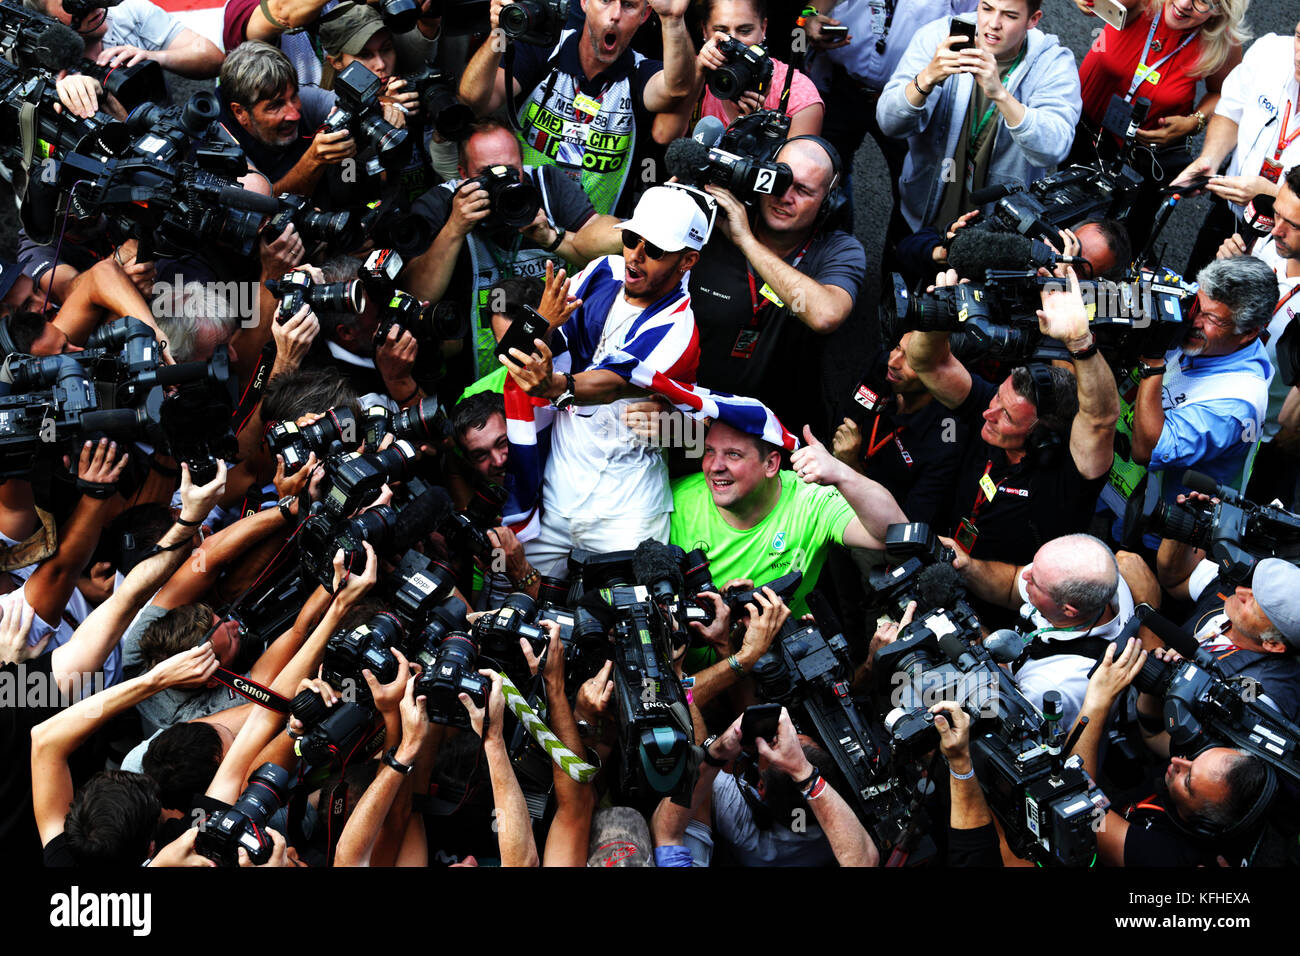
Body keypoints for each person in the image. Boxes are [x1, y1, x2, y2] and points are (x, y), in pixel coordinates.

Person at [502, 185, 709, 572]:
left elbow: (611, 383)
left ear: (688, 260)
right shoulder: (601, 272)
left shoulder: (679, 327)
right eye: (632, 238)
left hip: (626, 516)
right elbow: (511, 353)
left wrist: (556, 387)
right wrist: (540, 319)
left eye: (656, 249)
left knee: (624, 628)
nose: (636, 254)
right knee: (527, 611)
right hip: (554, 501)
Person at [902, 270, 1120, 573]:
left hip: (1012, 604)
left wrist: (1080, 341)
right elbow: (927, 362)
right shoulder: (995, 403)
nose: (988, 414)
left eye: (1006, 415)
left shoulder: (1069, 472)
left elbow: (1101, 419)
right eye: (997, 400)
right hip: (942, 567)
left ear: (1042, 433)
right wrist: (939, 319)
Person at [402, 118, 619, 386]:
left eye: (511, 171)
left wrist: (552, 238)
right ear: (463, 173)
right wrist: (454, 228)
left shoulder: (547, 186)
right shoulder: (443, 204)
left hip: (556, 368)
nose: (502, 182)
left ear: (522, 164)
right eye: (487, 173)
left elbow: (609, 244)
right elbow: (416, 294)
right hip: (478, 379)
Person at [689, 136, 866, 435]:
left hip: (779, 433)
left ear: (828, 203)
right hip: (694, 418)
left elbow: (825, 315)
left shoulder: (839, 250)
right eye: (778, 181)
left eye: (803, 191)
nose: (785, 197)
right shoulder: (712, 222)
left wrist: (745, 240)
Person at [457, 0, 697, 216]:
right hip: (521, 222)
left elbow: (677, 88)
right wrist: (498, 33)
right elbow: (475, 100)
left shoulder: (640, 73)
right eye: (605, 0)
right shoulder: (545, 48)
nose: (615, 14)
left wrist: (672, 20)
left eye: (628, 5)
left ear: (644, 16)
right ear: (583, 3)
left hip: (590, 240)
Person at [876, 0, 1082, 236]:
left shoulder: (1053, 64)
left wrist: (1000, 95)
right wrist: (927, 77)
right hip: (920, 220)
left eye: (1010, 16)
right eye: (986, 8)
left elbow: (1052, 149)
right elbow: (889, 123)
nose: (993, 24)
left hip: (1000, 235)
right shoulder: (940, 36)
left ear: (1033, 20)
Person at [669, 417, 907, 622]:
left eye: (733, 454)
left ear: (770, 464)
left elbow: (895, 534)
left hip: (783, 663)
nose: (715, 466)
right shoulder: (673, 502)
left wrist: (841, 473)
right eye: (710, 451)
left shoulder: (809, 500)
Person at [1105, 255, 1277, 531]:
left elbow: (1145, 451)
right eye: (1196, 305)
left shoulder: (1236, 404)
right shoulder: (1209, 325)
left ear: (1248, 333)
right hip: (1115, 486)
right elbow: (1104, 303)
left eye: (1209, 318)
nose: (1190, 320)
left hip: (1162, 530)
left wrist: (1153, 359)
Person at [1070, 637, 1275, 865]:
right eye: (1196, 758)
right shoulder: (1211, 772)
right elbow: (1152, 736)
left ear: (1203, 826)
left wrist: (1097, 701)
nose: (1178, 761)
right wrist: (1167, 686)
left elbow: (1080, 809)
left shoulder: (1170, 857)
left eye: (1188, 781)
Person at [1068, 0, 1247, 248]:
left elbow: (1224, 94)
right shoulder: (1141, 3)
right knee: (1063, 215)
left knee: (1123, 240)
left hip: (1142, 158)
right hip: (1085, 132)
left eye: (1203, 1)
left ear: (1221, 9)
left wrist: (1194, 122)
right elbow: (1091, 4)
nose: (1184, 4)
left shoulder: (1221, 40)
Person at [802, 0, 979, 234]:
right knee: (822, 176)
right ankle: (833, 254)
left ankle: (899, 261)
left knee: (912, 191)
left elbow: (977, 25)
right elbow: (811, 9)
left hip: (911, 99)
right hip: (842, 85)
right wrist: (810, 16)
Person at [946, 532, 1136, 729]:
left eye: (1034, 581)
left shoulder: (1053, 686)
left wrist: (972, 646)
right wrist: (967, 566)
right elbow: (1012, 583)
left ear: (1068, 610)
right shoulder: (1101, 581)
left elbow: (1005, 715)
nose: (1025, 575)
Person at [1172, 19, 1300, 273]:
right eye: (1299, 36)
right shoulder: (1270, 51)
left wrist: (1273, 194)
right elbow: (1230, 112)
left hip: (1289, 242)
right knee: (1195, 295)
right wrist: (1209, 159)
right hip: (1230, 214)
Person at [1215, 165, 1300, 504]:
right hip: (1213, 401)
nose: (1275, 230)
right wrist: (1227, 269)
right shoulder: (1267, 244)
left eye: (1292, 225)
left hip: (1260, 442)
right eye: (1275, 214)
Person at [832, 332, 969, 529]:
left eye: (912, 360)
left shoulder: (947, 439)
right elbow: (843, 417)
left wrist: (851, 466)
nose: (893, 362)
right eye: (897, 347)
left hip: (874, 529)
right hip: (833, 480)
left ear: (942, 373)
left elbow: (903, 529)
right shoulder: (882, 369)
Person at [1157, 543, 1300, 721]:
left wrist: (1148, 626)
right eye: (1253, 587)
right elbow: (1175, 577)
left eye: (1253, 604)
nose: (1240, 591)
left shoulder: (1265, 687)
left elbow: (1214, 737)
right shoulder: (1233, 595)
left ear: (1272, 643)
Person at [659, 0, 825, 141]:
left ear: (763, 28)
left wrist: (756, 124)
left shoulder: (796, 92)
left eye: (745, 31)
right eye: (721, 31)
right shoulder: (690, 70)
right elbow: (664, 136)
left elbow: (793, 174)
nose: (732, 42)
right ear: (704, 30)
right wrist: (697, 75)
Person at [218, 41, 351, 197]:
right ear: (240, 112)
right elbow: (258, 206)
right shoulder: (218, 142)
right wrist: (312, 161)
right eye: (276, 106)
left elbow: (341, 101)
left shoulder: (285, 95)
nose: (294, 114)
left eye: (295, 96)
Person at [26, 0, 224, 80]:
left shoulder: (130, 12)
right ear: (46, 20)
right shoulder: (36, 67)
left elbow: (213, 58)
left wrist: (152, 56)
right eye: (72, 2)